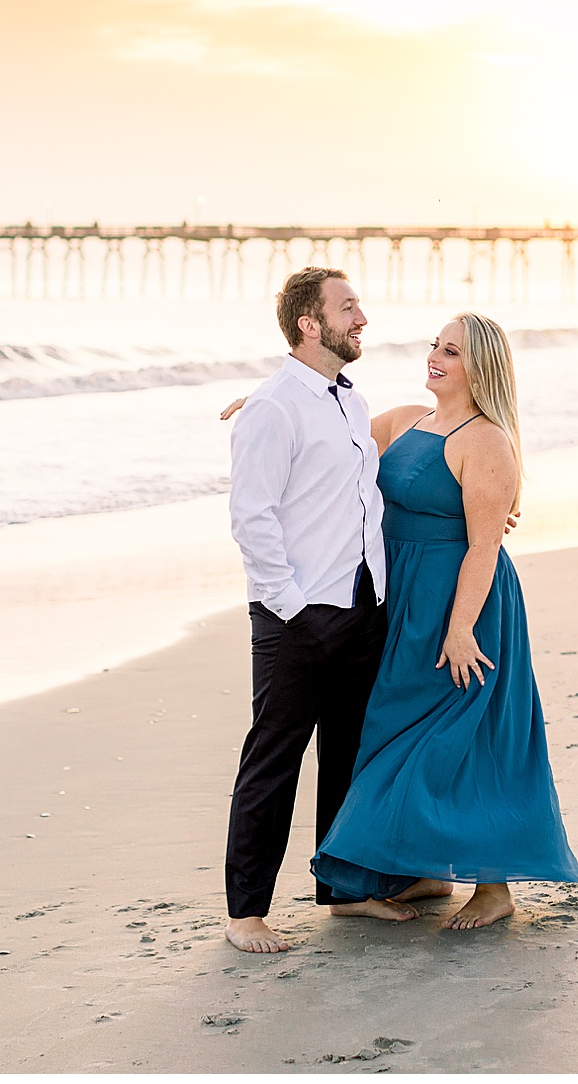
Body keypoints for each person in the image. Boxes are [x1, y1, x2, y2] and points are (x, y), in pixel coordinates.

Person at [309, 311, 578, 928]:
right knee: (395, 725)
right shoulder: (409, 420)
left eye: (453, 352)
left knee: (467, 733)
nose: (435, 356)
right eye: (436, 345)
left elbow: (485, 545)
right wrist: (272, 402)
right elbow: (333, 429)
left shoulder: (486, 440)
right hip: (402, 595)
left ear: (480, 366)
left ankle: (494, 887)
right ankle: (430, 872)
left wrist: (461, 628)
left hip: (462, 602)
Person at [222, 266, 419, 955]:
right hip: (298, 618)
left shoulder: (345, 400)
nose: (362, 317)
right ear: (311, 322)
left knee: (347, 758)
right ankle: (245, 912)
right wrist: (292, 608)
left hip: (362, 608)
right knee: (274, 760)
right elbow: (252, 519)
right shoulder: (273, 407)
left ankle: (344, 890)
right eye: (348, 306)